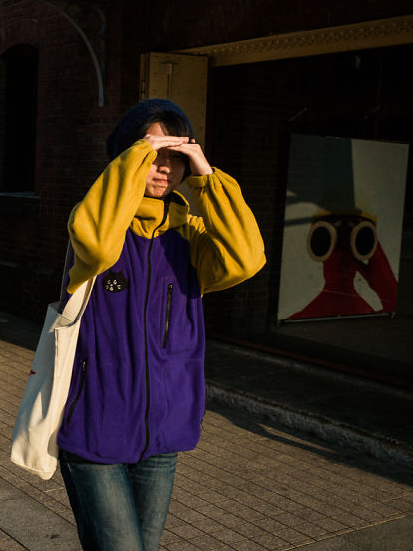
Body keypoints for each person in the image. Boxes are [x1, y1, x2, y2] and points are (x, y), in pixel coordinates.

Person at [57, 99, 266, 551]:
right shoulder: (93, 225)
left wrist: (208, 176)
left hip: (163, 430)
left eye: (176, 156)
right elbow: (95, 244)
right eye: (153, 153)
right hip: (95, 428)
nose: (165, 167)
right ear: (126, 158)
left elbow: (247, 259)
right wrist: (136, 155)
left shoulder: (188, 236)